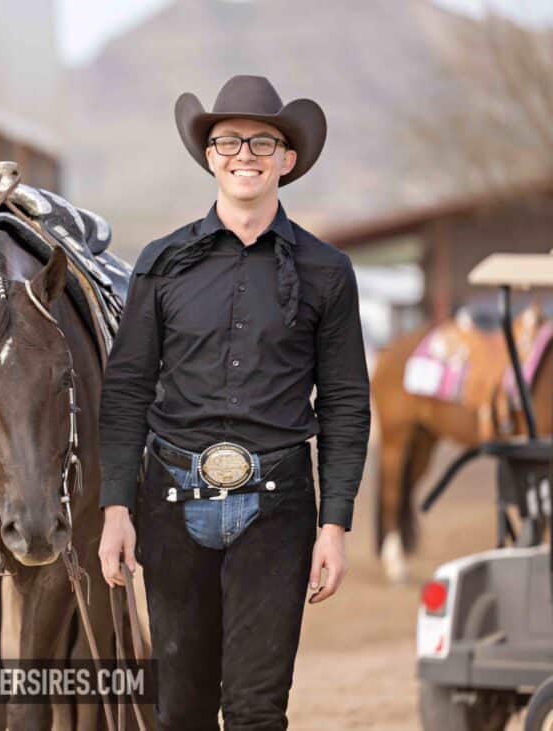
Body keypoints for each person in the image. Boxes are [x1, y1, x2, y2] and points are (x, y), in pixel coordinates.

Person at [97, 75, 371, 729]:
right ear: (210, 155)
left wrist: (334, 525)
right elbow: (127, 388)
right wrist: (115, 508)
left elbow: (344, 402)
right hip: (169, 502)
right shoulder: (161, 263)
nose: (244, 154)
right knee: (179, 711)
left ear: (287, 159)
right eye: (228, 141)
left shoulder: (327, 271)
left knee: (256, 712)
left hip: (277, 510)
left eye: (261, 142)